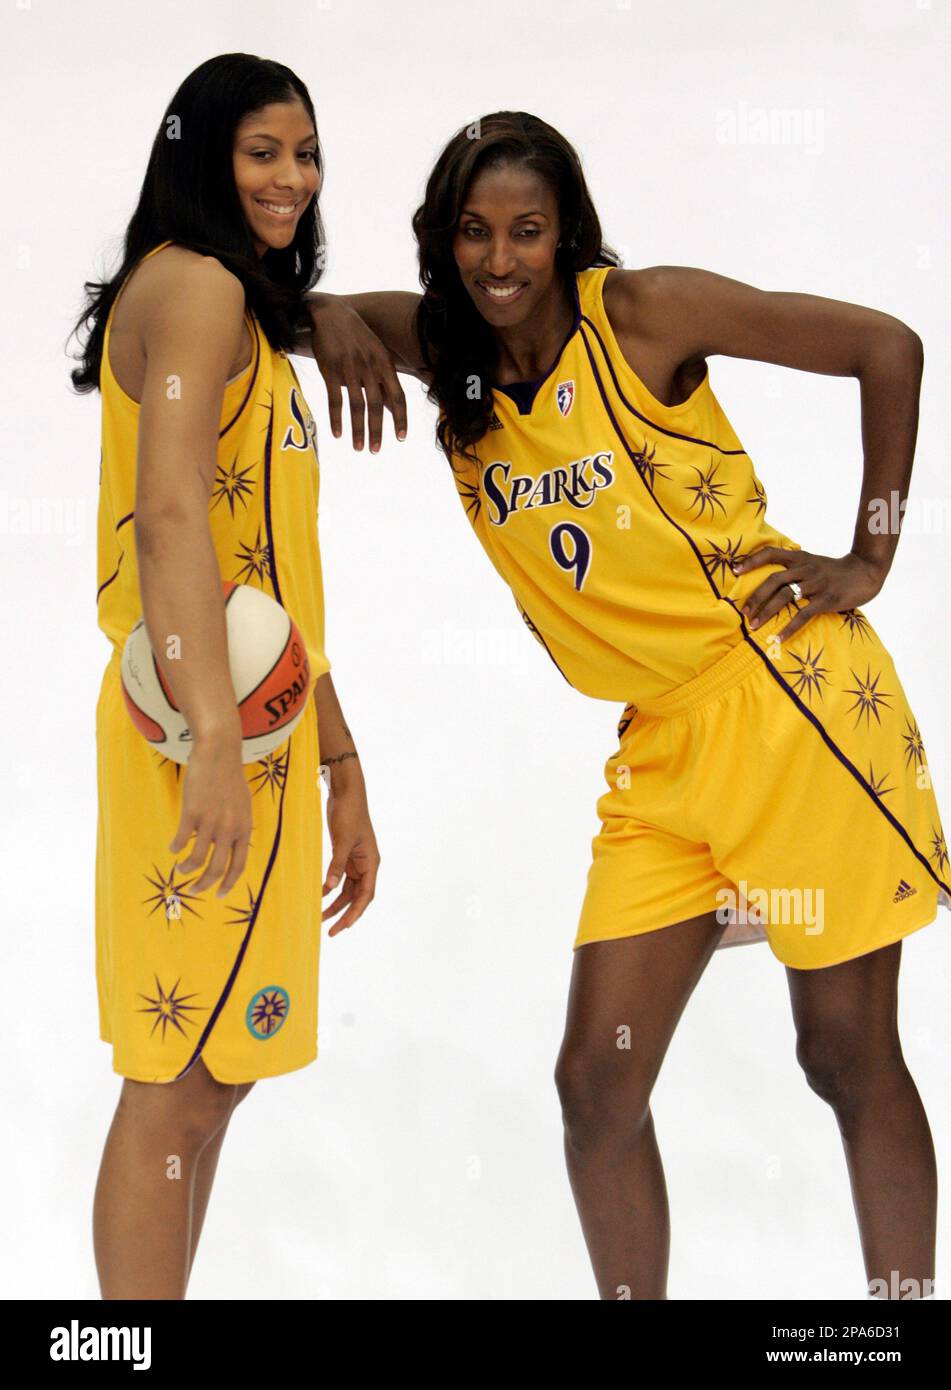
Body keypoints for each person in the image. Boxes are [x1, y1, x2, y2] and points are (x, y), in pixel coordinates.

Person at [298, 110, 949, 1300]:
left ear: (567, 233)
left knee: (844, 1054)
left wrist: (871, 554)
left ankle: (894, 1327)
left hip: (790, 708)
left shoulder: (641, 316)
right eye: (474, 232)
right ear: (443, 239)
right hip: (661, 749)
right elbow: (269, 309)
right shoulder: (448, 346)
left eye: (527, 232)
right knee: (597, 1089)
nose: (500, 260)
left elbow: (889, 345)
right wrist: (335, 313)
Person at [68, 54, 381, 1300]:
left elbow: (271, 577)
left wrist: (340, 762)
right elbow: (169, 522)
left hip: (252, 721)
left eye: (306, 151)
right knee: (175, 1085)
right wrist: (210, 736)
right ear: (202, 155)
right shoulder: (194, 289)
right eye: (263, 151)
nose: (294, 177)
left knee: (211, 1078)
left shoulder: (230, 301)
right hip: (198, 728)